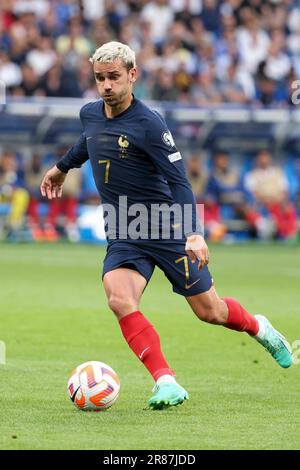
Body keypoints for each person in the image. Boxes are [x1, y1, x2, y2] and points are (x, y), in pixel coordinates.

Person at [40, 41, 293, 410]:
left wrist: (194, 233)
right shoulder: (90, 114)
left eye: (114, 77)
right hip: (125, 231)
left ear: (132, 75)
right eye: (99, 78)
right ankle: (166, 381)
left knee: (211, 312)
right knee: (119, 299)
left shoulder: (150, 124)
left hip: (165, 227)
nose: (107, 85)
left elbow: (180, 182)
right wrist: (62, 167)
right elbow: (88, 141)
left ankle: (259, 328)